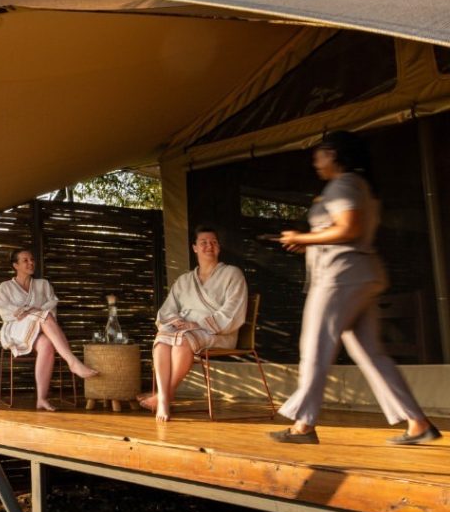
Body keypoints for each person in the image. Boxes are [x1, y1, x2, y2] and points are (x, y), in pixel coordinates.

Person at [271, 130, 441, 445]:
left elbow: (349, 229)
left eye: (320, 152)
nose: (315, 159)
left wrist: (302, 237)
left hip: (341, 277)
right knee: (371, 354)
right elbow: (346, 232)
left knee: (315, 347)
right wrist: (309, 246)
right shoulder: (357, 186)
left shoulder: (345, 184)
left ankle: (303, 425)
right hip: (359, 275)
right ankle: (418, 423)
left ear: (336, 154)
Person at [141, 225, 248, 422]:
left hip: (219, 333)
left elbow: (233, 310)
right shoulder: (184, 280)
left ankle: (165, 395)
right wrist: (178, 321)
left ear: (219, 248)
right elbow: (167, 310)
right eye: (204, 242)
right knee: (163, 339)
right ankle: (165, 397)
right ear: (194, 248)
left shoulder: (233, 274)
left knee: (182, 339)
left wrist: (197, 324)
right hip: (185, 331)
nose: (209, 246)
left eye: (214, 242)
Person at [0, 248, 97, 411]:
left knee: (47, 343)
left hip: (40, 328)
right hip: (15, 328)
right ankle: (72, 362)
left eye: (32, 259)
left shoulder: (43, 284)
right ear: (15, 265)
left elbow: (51, 304)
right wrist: (31, 312)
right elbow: (5, 312)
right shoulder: (5, 287)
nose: (31, 263)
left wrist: (35, 311)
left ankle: (41, 398)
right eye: (25, 260)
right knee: (44, 315)